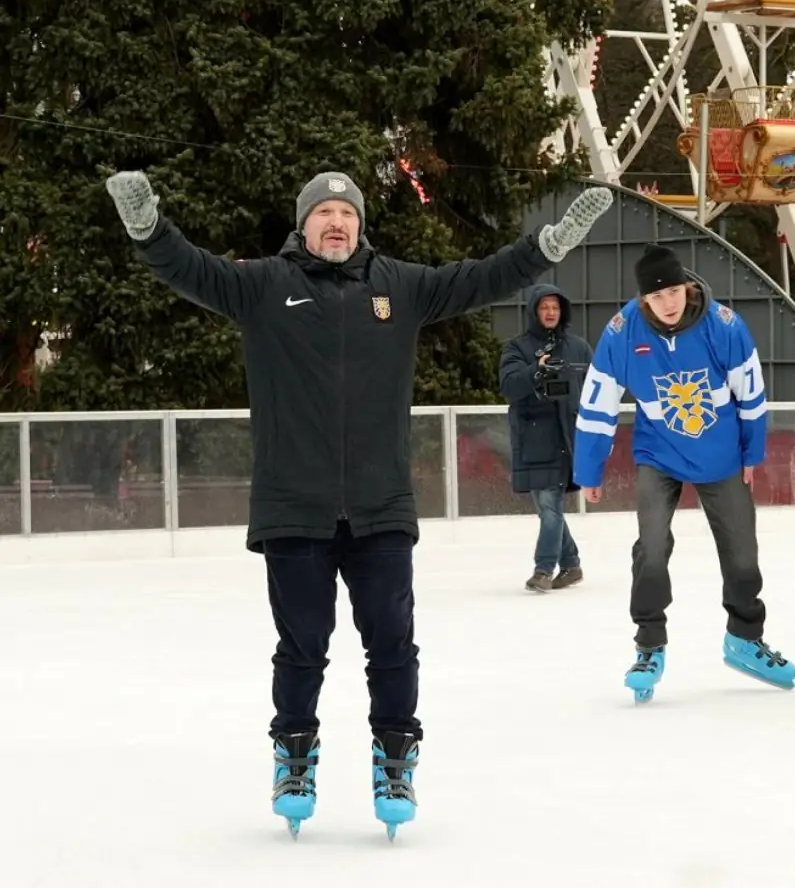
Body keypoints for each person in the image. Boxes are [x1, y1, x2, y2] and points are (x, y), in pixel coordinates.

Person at [104, 169, 612, 837]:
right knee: (302, 645)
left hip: (380, 506)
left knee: (393, 644)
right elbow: (189, 268)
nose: (336, 223)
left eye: (347, 212)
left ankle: (395, 757)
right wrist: (148, 229)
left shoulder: (398, 285)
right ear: (303, 224)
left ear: (361, 225)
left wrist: (545, 247)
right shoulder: (262, 285)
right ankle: (294, 755)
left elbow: (481, 277)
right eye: (324, 214)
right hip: (293, 505)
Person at [571, 243, 795, 702]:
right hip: (659, 454)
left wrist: (752, 454)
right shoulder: (621, 334)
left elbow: (751, 396)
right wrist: (588, 468)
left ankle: (745, 638)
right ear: (642, 301)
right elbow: (598, 406)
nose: (668, 303)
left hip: (721, 455)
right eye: (657, 297)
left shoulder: (724, 327)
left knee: (742, 550)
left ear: (687, 286)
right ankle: (649, 645)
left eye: (674, 291)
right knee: (651, 547)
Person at [498, 284, 592, 592]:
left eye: (555, 307)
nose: (551, 312)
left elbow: (597, 390)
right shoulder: (517, 348)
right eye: (544, 307)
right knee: (547, 507)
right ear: (534, 311)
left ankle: (543, 569)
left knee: (551, 505)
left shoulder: (579, 348)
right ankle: (572, 564)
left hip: (568, 438)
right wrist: (536, 371)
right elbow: (509, 387)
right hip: (534, 439)